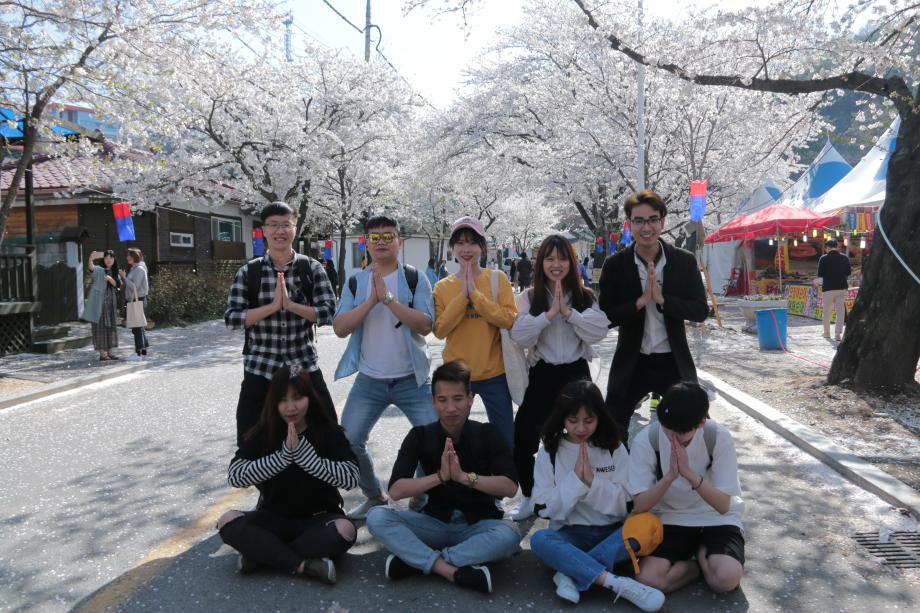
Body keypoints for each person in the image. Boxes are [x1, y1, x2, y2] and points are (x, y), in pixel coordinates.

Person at [365, 361, 521, 594]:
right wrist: (440, 476)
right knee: (377, 516)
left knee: (511, 534)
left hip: (477, 524)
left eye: (458, 399)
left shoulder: (488, 433)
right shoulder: (420, 435)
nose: (450, 408)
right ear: (433, 402)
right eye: (442, 400)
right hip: (434, 524)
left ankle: (418, 561)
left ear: (470, 399)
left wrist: (464, 477)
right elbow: (396, 490)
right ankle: (449, 569)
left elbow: (510, 487)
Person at [332, 215, 436, 519]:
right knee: (349, 440)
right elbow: (340, 328)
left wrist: (389, 299)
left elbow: (426, 325)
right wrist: (370, 301)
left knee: (434, 439)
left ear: (399, 241)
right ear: (366, 242)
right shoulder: (355, 281)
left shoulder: (416, 278)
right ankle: (375, 496)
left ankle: (420, 497)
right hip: (370, 380)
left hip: (412, 379)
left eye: (388, 236)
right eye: (374, 237)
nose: (381, 242)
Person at [529, 380, 665, 611]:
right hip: (569, 533)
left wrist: (593, 482)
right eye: (573, 420)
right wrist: (576, 481)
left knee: (649, 523)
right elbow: (542, 508)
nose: (581, 428)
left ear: (600, 417)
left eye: (589, 420)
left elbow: (627, 503)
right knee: (540, 539)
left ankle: (571, 572)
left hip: (612, 533)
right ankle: (616, 583)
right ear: (562, 418)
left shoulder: (614, 447)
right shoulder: (550, 451)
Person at [216, 366, 359, 583]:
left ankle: (264, 554)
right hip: (273, 517)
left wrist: (310, 461)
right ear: (273, 403)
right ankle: (303, 565)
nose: (291, 407)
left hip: (318, 519)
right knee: (227, 521)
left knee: (346, 530)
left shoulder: (327, 430)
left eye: (298, 398)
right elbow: (236, 475)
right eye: (283, 400)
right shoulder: (265, 431)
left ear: (310, 398)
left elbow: (351, 478)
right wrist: (282, 458)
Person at [508, 234, 609, 520]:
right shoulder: (529, 297)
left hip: (576, 373)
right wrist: (550, 314)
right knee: (523, 436)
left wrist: (570, 313)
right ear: (540, 263)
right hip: (543, 373)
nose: (556, 264)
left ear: (572, 262)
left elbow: (599, 331)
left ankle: (589, 491)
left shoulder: (584, 295)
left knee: (587, 433)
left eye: (562, 259)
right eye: (550, 258)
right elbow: (519, 336)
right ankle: (530, 495)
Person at [225, 201, 338, 447]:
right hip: (261, 368)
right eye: (273, 225)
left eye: (286, 225)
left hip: (301, 366)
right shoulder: (249, 272)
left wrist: (291, 305)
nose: (280, 231)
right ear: (264, 230)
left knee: (328, 434)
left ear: (295, 228)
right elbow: (232, 318)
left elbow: (329, 312)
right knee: (250, 441)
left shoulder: (311, 268)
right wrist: (272, 307)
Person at [598, 190, 708, 440]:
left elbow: (701, 311)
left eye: (652, 220)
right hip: (632, 360)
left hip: (673, 360)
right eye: (638, 221)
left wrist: (663, 301)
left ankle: (681, 466)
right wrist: (639, 303)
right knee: (610, 432)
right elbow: (605, 316)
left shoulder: (683, 261)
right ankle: (620, 466)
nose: (646, 227)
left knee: (693, 428)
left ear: (663, 221)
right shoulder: (615, 265)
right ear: (629, 224)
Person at [629, 382, 745, 594]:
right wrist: (669, 477)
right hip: (671, 516)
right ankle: (698, 566)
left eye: (681, 433)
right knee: (647, 579)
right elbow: (640, 505)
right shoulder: (647, 440)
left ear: (701, 422)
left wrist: (689, 473)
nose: (672, 437)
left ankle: (702, 552)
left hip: (715, 518)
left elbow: (723, 506)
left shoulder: (717, 437)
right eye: (667, 429)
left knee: (726, 580)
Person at [432, 216, 517, 449]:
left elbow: (509, 320)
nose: (466, 249)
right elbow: (440, 330)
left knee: (505, 441)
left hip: (494, 374)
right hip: (456, 377)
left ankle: (505, 473)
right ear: (452, 248)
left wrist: (476, 297)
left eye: (472, 242)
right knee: (451, 441)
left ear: (482, 246)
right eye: (460, 243)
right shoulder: (442, 287)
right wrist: (463, 297)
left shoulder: (497, 279)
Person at [84, 249, 121, 362]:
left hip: (110, 304)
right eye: (106, 258)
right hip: (99, 303)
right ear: (103, 259)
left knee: (110, 327)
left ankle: (109, 352)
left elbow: (117, 284)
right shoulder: (99, 269)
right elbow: (91, 267)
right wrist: (91, 258)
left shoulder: (114, 271)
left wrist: (110, 279)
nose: (109, 260)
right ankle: (102, 354)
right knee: (100, 327)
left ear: (114, 259)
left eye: (111, 258)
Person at [817, 239, 851, 341]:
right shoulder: (844, 258)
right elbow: (848, 272)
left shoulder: (823, 258)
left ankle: (827, 333)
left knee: (827, 311)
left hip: (828, 288)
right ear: (837, 247)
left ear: (827, 247)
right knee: (840, 311)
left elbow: (820, 274)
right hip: (842, 287)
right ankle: (838, 334)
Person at [120, 248, 149, 359]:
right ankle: (143, 349)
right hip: (136, 299)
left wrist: (124, 277)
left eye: (128, 255)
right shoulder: (134, 269)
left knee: (137, 327)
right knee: (138, 325)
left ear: (134, 256)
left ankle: (138, 352)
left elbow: (134, 287)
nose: (127, 257)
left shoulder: (139, 269)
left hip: (138, 299)